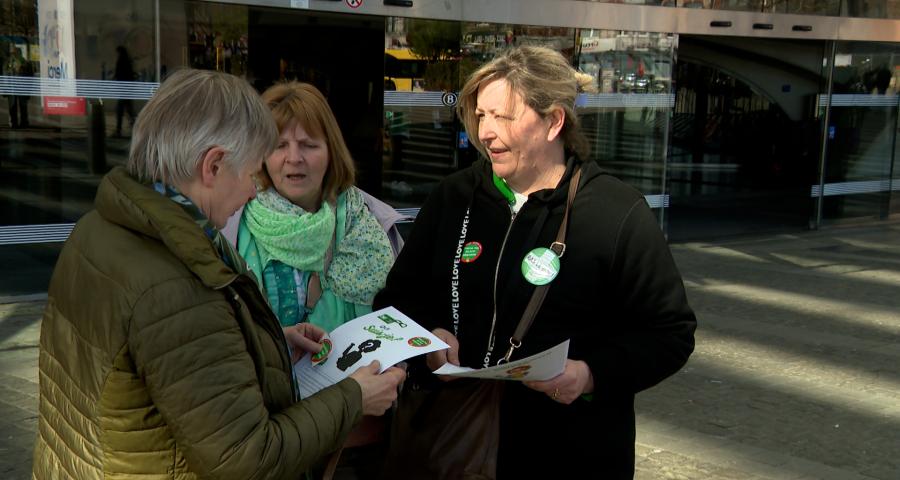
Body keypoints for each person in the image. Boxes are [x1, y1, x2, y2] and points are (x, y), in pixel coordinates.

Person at [31, 69, 405, 480]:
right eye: (250, 173)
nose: (252, 191)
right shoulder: (176, 282)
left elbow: (161, 361)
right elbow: (246, 458)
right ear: (212, 166)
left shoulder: (101, 227)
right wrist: (355, 397)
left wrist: (271, 340)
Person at [375, 46, 696, 479]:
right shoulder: (452, 197)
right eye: (480, 116)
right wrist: (427, 342)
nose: (485, 133)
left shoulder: (616, 213)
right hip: (451, 445)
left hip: (570, 454)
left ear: (554, 121)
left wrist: (590, 374)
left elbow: (669, 333)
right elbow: (395, 302)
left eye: (502, 117)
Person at [231, 81, 398, 478]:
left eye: (309, 144)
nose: (294, 159)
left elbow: (395, 320)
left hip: (358, 434)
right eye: (279, 146)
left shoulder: (371, 223)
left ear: (331, 151)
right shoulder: (232, 223)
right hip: (271, 433)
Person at [4, 44, 30, 129]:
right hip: (13, 87)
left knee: (21, 106)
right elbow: (5, 74)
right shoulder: (8, 62)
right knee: (14, 106)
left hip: (20, 86)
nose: (13, 53)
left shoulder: (23, 61)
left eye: (15, 51)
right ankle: (16, 122)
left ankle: (22, 122)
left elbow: (29, 73)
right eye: (12, 52)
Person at [113, 45, 137, 137]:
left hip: (124, 89)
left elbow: (120, 74)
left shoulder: (122, 61)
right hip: (127, 89)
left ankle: (119, 130)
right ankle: (135, 127)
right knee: (128, 110)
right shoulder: (127, 61)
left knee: (120, 110)